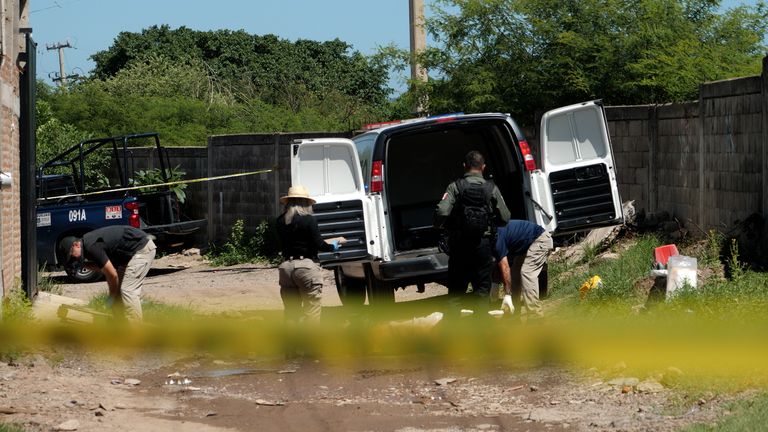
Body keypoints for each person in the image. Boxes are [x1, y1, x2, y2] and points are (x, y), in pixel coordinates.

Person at [434, 150, 511, 314]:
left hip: (459, 245)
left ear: (465, 166)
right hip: (483, 246)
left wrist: (442, 226)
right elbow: (505, 217)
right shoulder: (491, 188)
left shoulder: (455, 186)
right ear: (483, 167)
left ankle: (454, 330)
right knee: (482, 290)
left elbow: (441, 212)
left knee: (456, 291)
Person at [276, 185, 346, 323]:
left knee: (291, 313)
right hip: (306, 267)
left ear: (288, 202)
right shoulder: (309, 219)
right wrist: (334, 246)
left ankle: (292, 343)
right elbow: (319, 244)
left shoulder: (279, 221)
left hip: (286, 268)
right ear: (305, 203)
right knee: (312, 311)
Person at [59, 226, 156, 322]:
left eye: (71, 255)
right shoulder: (88, 245)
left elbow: (112, 275)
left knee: (127, 291)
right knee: (119, 292)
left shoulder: (92, 246)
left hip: (142, 249)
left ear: (76, 245)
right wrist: (83, 265)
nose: (73, 258)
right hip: (128, 255)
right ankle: (119, 322)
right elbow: (105, 268)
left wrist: (111, 297)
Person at [494, 219, 553, 319]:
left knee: (526, 273)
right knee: (514, 274)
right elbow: (497, 263)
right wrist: (494, 285)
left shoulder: (497, 237)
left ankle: (536, 316)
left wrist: (507, 294)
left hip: (540, 240)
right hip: (527, 245)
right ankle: (514, 310)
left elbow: (504, 266)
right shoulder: (494, 234)